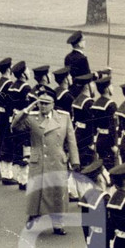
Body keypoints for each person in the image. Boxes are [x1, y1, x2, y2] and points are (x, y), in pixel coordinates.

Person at [11, 89, 80, 234]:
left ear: (53, 104)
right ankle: (33, 216)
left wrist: (75, 162)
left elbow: (71, 141)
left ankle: (58, 224)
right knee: (37, 193)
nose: (42, 106)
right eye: (40, 103)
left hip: (57, 160)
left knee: (57, 193)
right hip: (39, 160)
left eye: (46, 103)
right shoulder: (32, 117)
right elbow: (15, 126)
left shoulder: (64, 117)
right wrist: (28, 109)